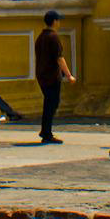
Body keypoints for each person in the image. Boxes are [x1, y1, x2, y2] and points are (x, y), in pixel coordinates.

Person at [35, 9, 74, 144]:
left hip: (41, 74)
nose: (59, 23)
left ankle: (45, 131)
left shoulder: (41, 37)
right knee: (52, 103)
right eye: (58, 20)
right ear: (54, 21)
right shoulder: (53, 37)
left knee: (49, 103)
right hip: (51, 75)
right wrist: (69, 75)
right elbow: (59, 58)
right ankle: (46, 133)